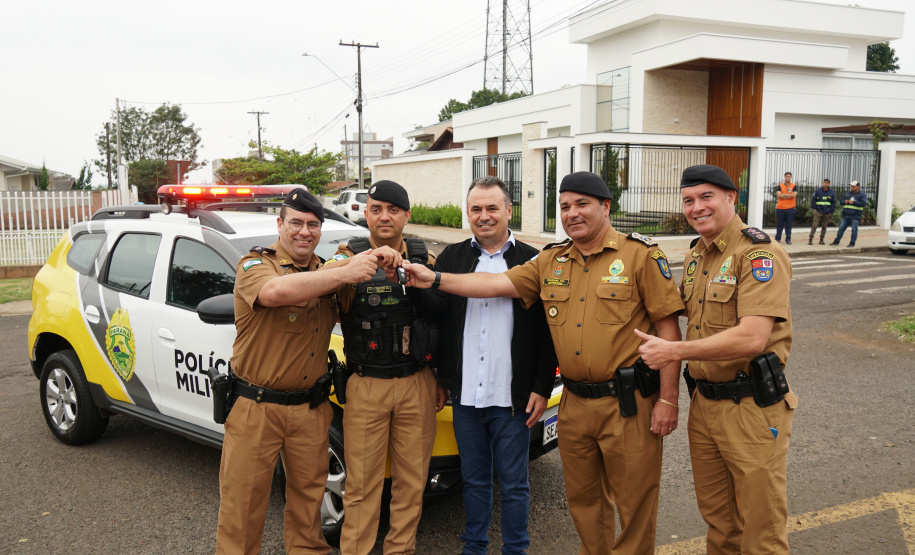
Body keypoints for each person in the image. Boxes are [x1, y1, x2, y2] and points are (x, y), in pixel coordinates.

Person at [403, 171, 683, 555]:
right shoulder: (552, 260)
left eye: (581, 204)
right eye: (565, 206)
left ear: (605, 206)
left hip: (626, 402)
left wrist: (668, 399)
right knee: (585, 503)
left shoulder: (638, 255)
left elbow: (669, 330)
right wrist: (431, 278)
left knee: (633, 504)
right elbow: (492, 286)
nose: (572, 213)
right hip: (573, 403)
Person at [635, 164, 798, 555]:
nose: (696, 207)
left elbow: (752, 337)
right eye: (688, 200)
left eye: (706, 197)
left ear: (731, 198)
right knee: (720, 522)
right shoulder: (697, 255)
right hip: (706, 405)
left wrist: (674, 351)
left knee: (762, 529)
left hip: (751, 408)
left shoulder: (759, 253)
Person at [216, 188, 379, 555]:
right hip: (257, 408)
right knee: (243, 508)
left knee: (309, 508)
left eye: (313, 225)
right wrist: (344, 272)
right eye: (296, 223)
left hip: (310, 409)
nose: (304, 231)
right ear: (280, 224)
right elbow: (275, 293)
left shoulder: (326, 271)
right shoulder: (255, 265)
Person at [425, 176, 558, 555]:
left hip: (512, 397)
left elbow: (549, 332)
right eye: (476, 209)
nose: (483, 216)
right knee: (475, 480)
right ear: (468, 213)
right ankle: (474, 547)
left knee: (515, 483)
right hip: (466, 396)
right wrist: (442, 377)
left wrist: (541, 386)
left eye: (491, 208)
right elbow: (442, 324)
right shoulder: (452, 258)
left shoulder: (534, 259)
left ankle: (516, 549)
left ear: (509, 210)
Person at [325, 180, 446, 555]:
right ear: (366, 213)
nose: (384, 216)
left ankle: (401, 550)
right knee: (362, 486)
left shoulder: (426, 257)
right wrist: (355, 267)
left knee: (412, 483)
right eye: (376, 208)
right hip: (367, 384)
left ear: (407, 215)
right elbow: (320, 287)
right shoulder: (347, 253)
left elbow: (442, 318)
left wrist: (440, 378)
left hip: (417, 382)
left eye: (393, 210)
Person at [830, 180, 867, 247]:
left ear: (858, 187)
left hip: (855, 216)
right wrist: (845, 201)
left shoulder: (862, 195)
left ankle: (852, 243)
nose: (852, 188)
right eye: (851, 186)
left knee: (854, 229)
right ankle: (837, 241)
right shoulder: (848, 194)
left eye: (853, 187)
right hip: (846, 215)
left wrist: (854, 202)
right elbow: (841, 201)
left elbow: (863, 203)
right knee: (841, 228)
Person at [808, 178, 836, 245]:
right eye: (825, 182)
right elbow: (813, 200)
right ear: (822, 183)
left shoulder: (831, 192)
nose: (826, 184)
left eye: (827, 183)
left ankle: (821, 240)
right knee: (814, 225)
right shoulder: (818, 191)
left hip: (827, 212)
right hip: (818, 211)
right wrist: (814, 208)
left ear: (829, 184)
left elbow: (833, 202)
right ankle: (810, 239)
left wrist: (831, 212)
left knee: (824, 226)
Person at [774, 171, 797, 244]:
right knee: (780, 224)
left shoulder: (794, 186)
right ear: (784, 177)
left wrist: (784, 195)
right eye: (786, 176)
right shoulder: (780, 186)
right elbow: (778, 195)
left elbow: (794, 195)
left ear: (791, 177)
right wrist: (788, 195)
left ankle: (788, 239)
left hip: (790, 208)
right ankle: (777, 238)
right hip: (780, 208)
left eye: (789, 176)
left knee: (788, 225)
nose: (787, 178)